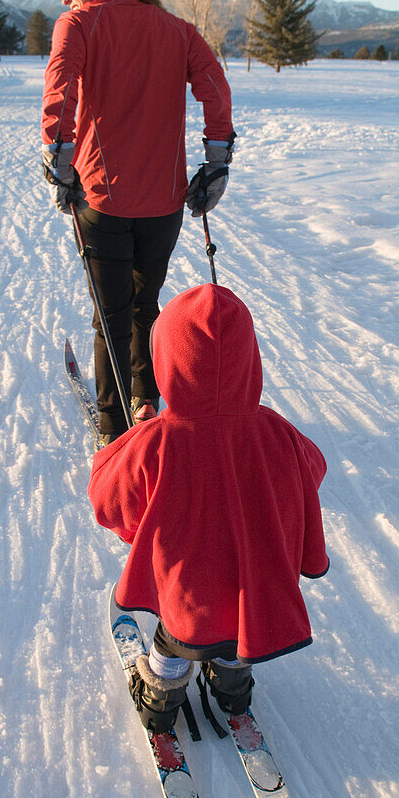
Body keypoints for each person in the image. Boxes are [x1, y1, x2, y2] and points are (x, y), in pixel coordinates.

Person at [87, 283, 330, 734]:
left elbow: (109, 500)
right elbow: (311, 471)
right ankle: (233, 686)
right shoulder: (277, 432)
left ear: (168, 359)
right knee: (237, 625)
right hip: (252, 573)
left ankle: (160, 700)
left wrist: (132, 457)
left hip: (184, 576)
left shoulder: (155, 441)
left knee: (175, 637)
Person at [41, 0, 235, 446]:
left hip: (102, 199)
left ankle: (112, 432)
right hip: (165, 202)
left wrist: (58, 159)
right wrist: (217, 161)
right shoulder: (178, 30)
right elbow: (215, 87)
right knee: (146, 307)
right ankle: (144, 399)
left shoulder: (79, 23)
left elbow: (60, 87)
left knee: (111, 315)